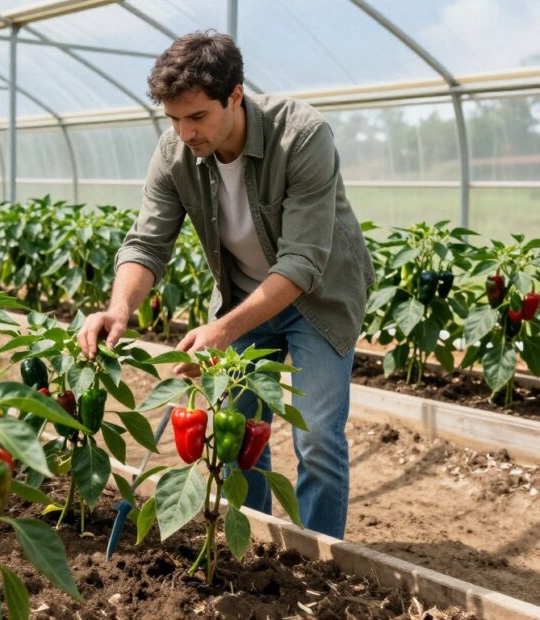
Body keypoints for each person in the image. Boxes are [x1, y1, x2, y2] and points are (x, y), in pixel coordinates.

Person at [76, 31, 374, 539]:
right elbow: (146, 243)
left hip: (319, 299)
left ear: (235, 95)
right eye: (174, 119)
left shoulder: (301, 135)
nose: (185, 132)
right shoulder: (174, 153)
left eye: (197, 116)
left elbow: (301, 263)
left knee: (318, 437)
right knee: (237, 437)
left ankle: (323, 560)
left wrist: (221, 332)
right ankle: (252, 543)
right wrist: (119, 307)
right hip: (243, 298)